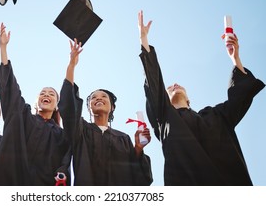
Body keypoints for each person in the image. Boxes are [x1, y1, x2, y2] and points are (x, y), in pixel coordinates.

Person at [138, 10, 265, 185]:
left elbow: (239, 97)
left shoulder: (215, 116)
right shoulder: (164, 119)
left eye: (178, 85)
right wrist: (144, 41)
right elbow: (153, 85)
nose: (174, 85)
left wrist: (235, 58)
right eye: (168, 88)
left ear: (189, 99)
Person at [58, 39, 153, 185]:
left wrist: (138, 149)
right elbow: (69, 108)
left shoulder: (124, 139)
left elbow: (139, 177)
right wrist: (71, 65)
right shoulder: (81, 131)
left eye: (103, 97)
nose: (98, 99)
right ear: (89, 107)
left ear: (112, 107)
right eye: (93, 98)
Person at [0, 23, 71, 186]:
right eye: (42, 93)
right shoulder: (23, 116)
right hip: (13, 182)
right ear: (36, 102)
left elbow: (67, 160)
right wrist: (3, 49)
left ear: (57, 106)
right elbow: (11, 91)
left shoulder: (62, 135)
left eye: (51, 94)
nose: (46, 95)